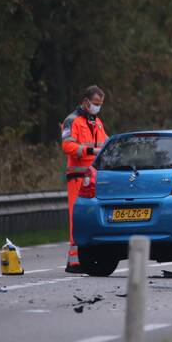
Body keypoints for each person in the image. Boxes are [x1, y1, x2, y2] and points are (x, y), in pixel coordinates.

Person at [61, 85, 109, 273]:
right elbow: (67, 146)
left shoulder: (97, 123)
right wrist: (89, 151)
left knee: (90, 217)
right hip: (77, 177)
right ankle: (74, 261)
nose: (98, 107)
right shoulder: (72, 121)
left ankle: (88, 256)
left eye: (100, 104)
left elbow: (105, 142)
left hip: (93, 177)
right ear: (86, 102)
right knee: (77, 216)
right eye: (96, 104)